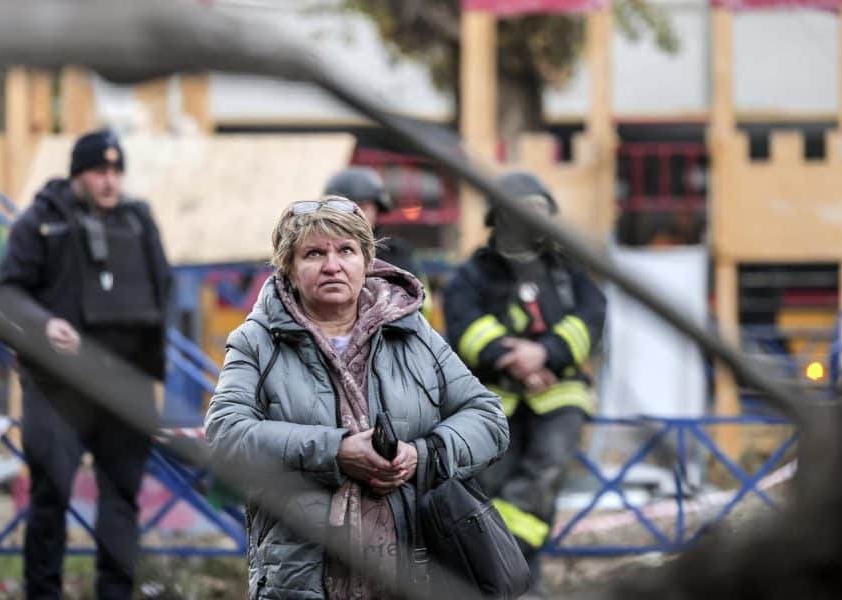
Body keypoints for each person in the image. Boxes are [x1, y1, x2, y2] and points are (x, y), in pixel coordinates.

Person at [205, 196, 509, 599]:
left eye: (346, 250)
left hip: (414, 568)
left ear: (367, 262)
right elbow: (225, 432)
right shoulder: (257, 341)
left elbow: (487, 416)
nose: (332, 265)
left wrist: (423, 454)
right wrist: (335, 452)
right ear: (289, 270)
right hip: (302, 577)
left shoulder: (412, 333)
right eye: (314, 253)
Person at [0, 130, 171, 599]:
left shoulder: (138, 219)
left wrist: (153, 370)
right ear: (78, 174)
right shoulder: (41, 221)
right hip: (57, 387)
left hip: (125, 383)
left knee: (122, 500)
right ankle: (43, 592)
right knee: (50, 499)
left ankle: (115, 592)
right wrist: (44, 324)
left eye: (116, 172)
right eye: (99, 172)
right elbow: (8, 289)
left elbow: (162, 289)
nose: (110, 182)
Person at [443, 171, 606, 591]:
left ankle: (510, 569)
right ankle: (498, 573)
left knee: (544, 475)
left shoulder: (569, 271)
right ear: (500, 217)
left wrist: (545, 353)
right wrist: (516, 360)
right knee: (485, 484)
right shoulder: (474, 274)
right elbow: (465, 326)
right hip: (493, 396)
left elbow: (591, 318)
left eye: (542, 211)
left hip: (559, 394)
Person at [323, 166, 434, 317]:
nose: (354, 215)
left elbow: (418, 306)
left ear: (378, 210)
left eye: (362, 207)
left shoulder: (398, 257)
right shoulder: (315, 253)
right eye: (344, 207)